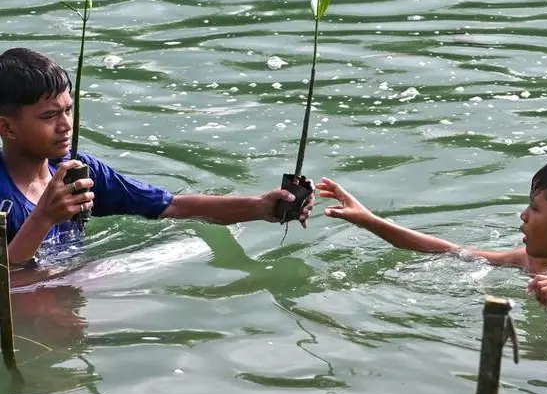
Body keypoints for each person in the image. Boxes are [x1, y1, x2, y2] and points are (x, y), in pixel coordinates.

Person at [0, 48, 314, 266]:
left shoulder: (81, 171)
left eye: (69, 110)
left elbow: (172, 206)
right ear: (7, 128)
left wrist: (262, 207)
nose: (66, 125)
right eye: (49, 116)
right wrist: (43, 218)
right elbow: (9, 283)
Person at [317, 155, 547, 318]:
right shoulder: (540, 265)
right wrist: (368, 220)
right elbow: (452, 251)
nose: (523, 215)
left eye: (534, 209)